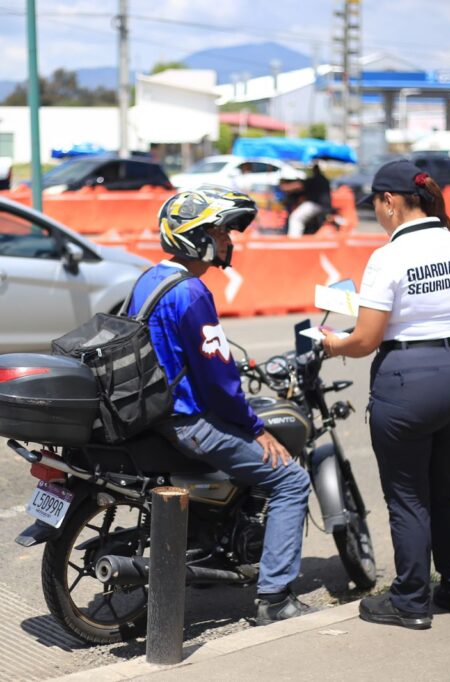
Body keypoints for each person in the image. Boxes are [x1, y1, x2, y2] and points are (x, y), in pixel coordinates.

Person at [127, 186, 314, 625]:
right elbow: (218, 382)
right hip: (189, 421)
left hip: (155, 413)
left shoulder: (151, 278)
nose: (229, 240)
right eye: (221, 231)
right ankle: (275, 598)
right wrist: (255, 428)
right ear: (197, 237)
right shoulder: (192, 293)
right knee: (291, 480)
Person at [321, 159, 450, 630]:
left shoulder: (388, 257)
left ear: (390, 202)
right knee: (446, 491)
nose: (375, 213)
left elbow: (367, 338)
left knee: (408, 497)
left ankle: (411, 600)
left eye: (375, 204)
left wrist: (333, 344)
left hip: (408, 381)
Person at [287, 161, 331, 237]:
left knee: (296, 218)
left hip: (316, 205)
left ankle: (293, 240)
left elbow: (299, 185)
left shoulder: (316, 179)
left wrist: (285, 186)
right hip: (324, 206)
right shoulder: (324, 179)